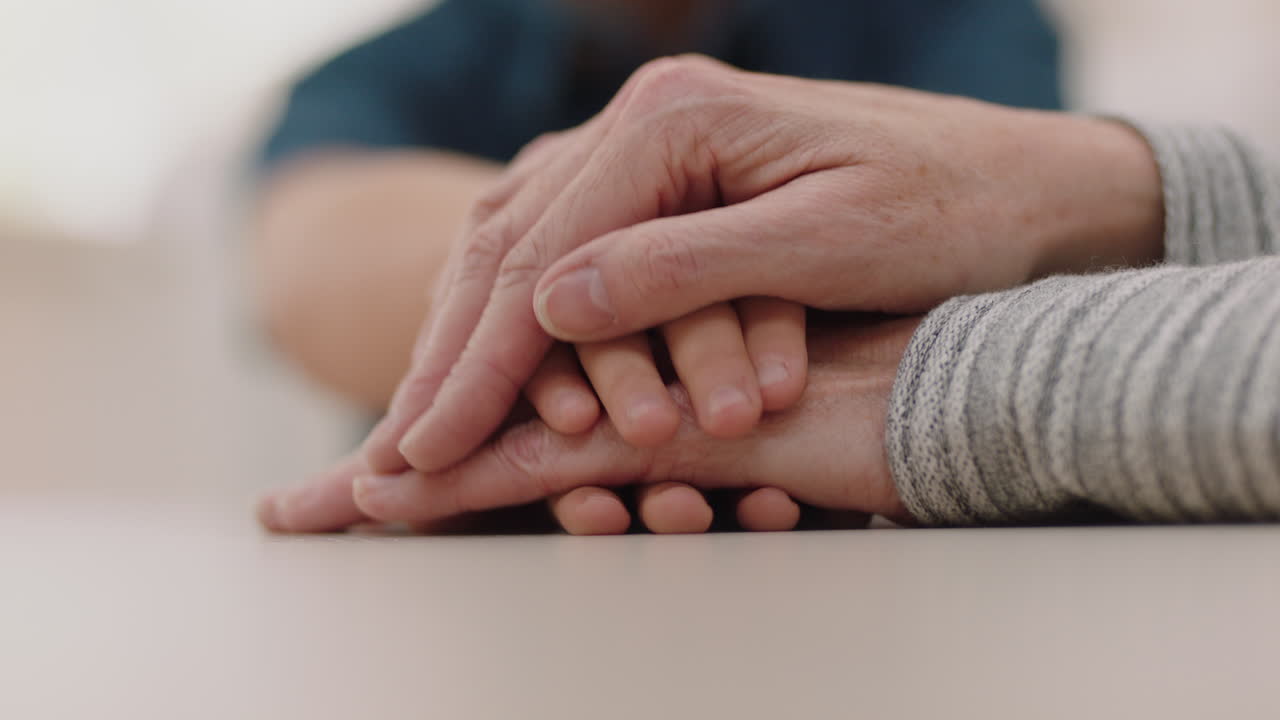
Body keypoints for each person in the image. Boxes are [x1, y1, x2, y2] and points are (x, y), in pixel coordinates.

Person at [258, 56, 1280, 534]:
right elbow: (305, 258)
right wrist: (656, 294)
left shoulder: (946, 16)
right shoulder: (422, 49)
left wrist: (925, 374)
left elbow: (1002, 269)